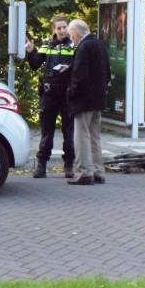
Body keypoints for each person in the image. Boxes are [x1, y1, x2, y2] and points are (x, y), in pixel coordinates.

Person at [25, 16, 76, 178]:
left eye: (64, 27)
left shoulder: (74, 45)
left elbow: (80, 67)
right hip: (49, 93)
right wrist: (30, 51)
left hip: (68, 93)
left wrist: (69, 68)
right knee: (47, 131)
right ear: (53, 30)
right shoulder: (46, 45)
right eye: (58, 28)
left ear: (68, 28)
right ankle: (41, 166)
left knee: (69, 131)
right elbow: (34, 65)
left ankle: (68, 166)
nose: (62, 30)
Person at [66, 19, 111, 185]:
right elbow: (107, 71)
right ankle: (98, 171)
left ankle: (85, 171)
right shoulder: (99, 45)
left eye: (71, 36)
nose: (71, 39)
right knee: (94, 136)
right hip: (98, 99)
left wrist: (71, 92)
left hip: (84, 100)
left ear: (77, 33)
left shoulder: (84, 47)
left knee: (81, 136)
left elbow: (80, 74)